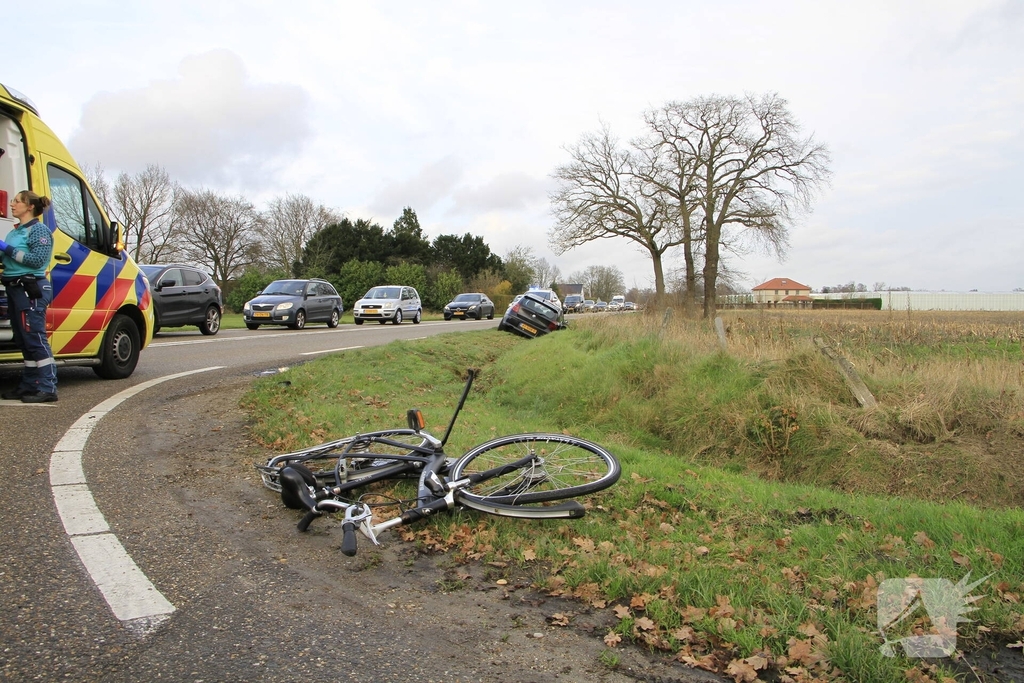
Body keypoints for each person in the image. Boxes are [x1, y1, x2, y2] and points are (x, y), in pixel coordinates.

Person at [0, 190, 57, 402]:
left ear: (29, 206)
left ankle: (48, 387)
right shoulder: (15, 232)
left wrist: (7, 249)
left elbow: (36, 260)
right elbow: (6, 258)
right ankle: (29, 385)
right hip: (15, 289)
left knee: (35, 337)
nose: (12, 204)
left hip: (30, 289)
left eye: (17, 201)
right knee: (23, 339)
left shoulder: (39, 231)